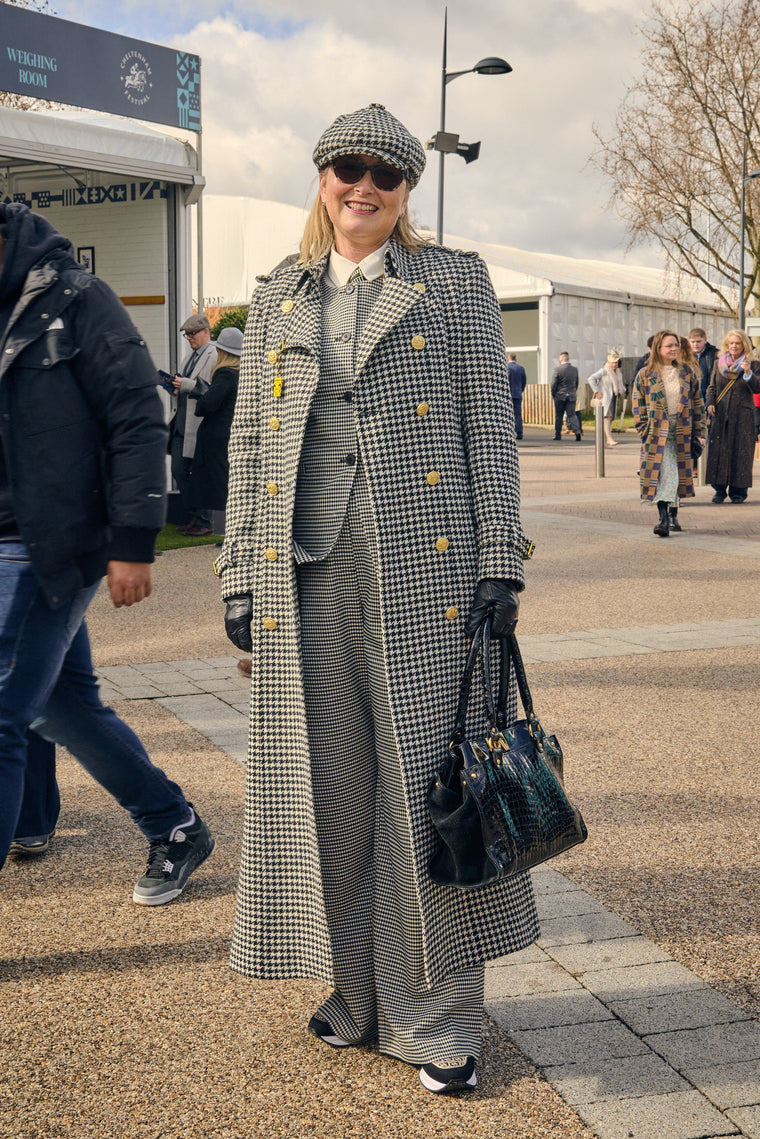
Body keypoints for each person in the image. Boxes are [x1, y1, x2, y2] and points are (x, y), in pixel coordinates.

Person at [216, 103, 538, 1095]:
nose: (362, 187)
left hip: (427, 571)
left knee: (418, 791)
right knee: (332, 790)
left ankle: (437, 1018)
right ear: (322, 179)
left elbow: (490, 425)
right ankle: (357, 997)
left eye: (383, 176)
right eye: (345, 170)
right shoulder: (277, 294)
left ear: (406, 193)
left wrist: (499, 561)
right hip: (303, 566)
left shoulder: (453, 283)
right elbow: (248, 444)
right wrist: (236, 571)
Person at [0, 201, 215, 903]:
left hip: (46, 547)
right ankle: (174, 822)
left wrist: (133, 541)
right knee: (62, 709)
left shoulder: (77, 298)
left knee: (3, 713)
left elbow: (134, 417)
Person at [633, 330, 705, 536]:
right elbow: (638, 406)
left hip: (683, 430)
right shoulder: (645, 375)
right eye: (669, 346)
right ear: (658, 348)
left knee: (678, 472)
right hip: (657, 432)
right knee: (665, 472)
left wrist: (700, 432)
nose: (674, 349)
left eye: (676, 345)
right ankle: (664, 519)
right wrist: (644, 429)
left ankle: (672, 515)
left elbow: (698, 403)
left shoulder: (687, 373)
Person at [169, 313, 218, 536]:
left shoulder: (214, 354)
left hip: (198, 425)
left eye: (192, 333)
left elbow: (212, 391)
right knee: (178, 470)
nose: (189, 338)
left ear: (206, 331)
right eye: (186, 335)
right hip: (181, 423)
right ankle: (193, 517)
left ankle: (203, 521)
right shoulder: (189, 357)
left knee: (198, 473)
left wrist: (187, 384)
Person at [190, 325, 243, 521]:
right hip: (230, 432)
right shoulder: (241, 374)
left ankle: (223, 529)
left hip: (217, 435)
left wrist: (201, 394)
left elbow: (209, 405)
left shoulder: (225, 374)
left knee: (219, 484)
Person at [705, 328, 760, 503]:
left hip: (743, 415)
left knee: (741, 453)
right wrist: (710, 403)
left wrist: (749, 373)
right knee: (719, 451)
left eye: (738, 343)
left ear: (744, 344)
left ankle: (738, 492)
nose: (734, 346)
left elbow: (757, 388)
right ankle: (719, 490)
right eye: (731, 343)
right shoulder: (718, 363)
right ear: (726, 345)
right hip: (720, 414)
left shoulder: (753, 364)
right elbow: (711, 387)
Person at [587, 351, 626, 447]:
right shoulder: (604, 370)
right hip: (605, 399)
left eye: (616, 362)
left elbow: (618, 385)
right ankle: (609, 439)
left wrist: (624, 390)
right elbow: (591, 378)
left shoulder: (617, 372)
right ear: (608, 362)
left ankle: (602, 442)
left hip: (613, 398)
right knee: (606, 418)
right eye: (613, 362)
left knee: (608, 419)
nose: (614, 364)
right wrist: (597, 391)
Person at [550, 352, 581, 441]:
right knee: (572, 415)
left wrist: (553, 393)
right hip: (571, 395)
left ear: (561, 360)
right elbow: (576, 383)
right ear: (568, 359)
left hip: (560, 395)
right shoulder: (575, 369)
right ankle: (577, 432)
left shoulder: (558, 370)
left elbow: (553, 384)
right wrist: (573, 391)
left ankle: (558, 435)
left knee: (559, 416)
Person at [689, 327, 718, 406]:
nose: (695, 344)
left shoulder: (715, 354)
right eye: (693, 342)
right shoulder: (686, 356)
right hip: (691, 399)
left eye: (698, 341)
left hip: (708, 398)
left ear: (705, 340)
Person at [506, 352, 527, 439]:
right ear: (516, 359)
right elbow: (524, 381)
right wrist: (520, 390)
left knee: (507, 414)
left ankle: (509, 432)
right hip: (517, 394)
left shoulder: (506, 368)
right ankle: (519, 432)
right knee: (517, 414)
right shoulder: (521, 368)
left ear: (508, 359)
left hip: (508, 395)